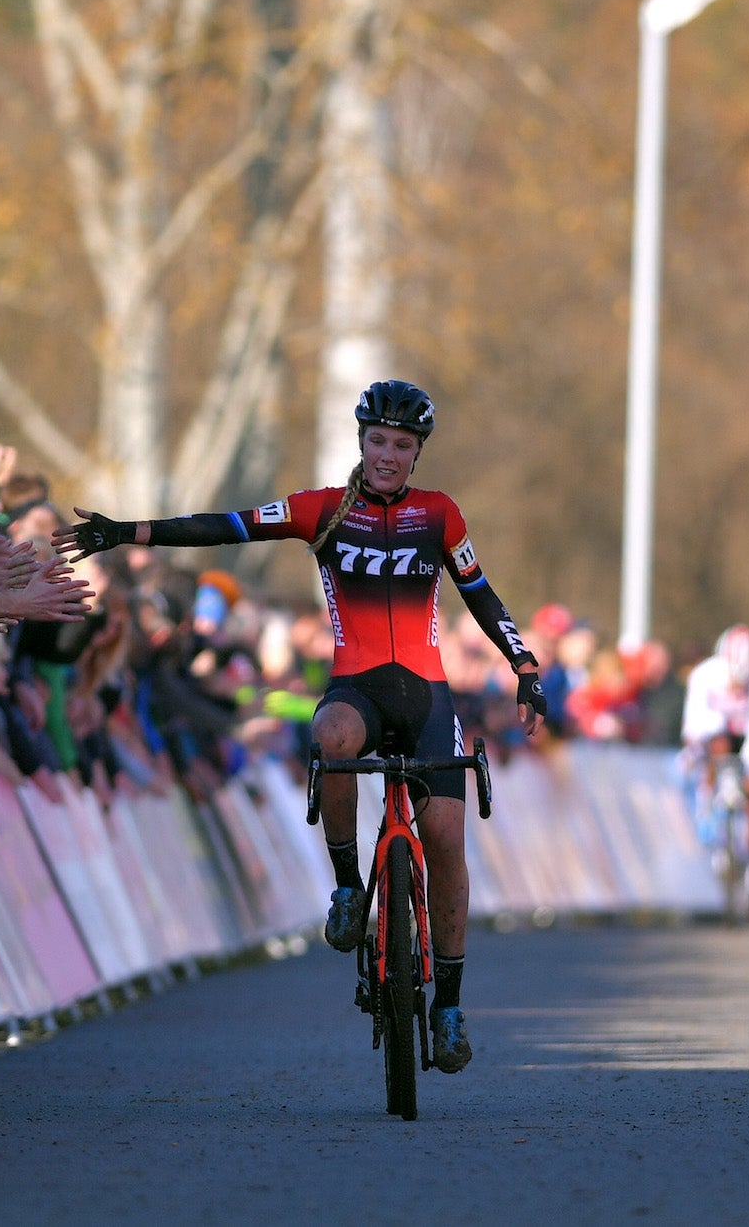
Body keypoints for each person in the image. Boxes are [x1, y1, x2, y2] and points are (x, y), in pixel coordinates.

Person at [56, 379, 547, 1075]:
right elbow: (223, 526)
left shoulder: (440, 515)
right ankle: (349, 886)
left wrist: (524, 665)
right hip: (357, 687)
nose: (387, 456)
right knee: (335, 738)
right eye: (377, 441)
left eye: (401, 446)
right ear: (362, 442)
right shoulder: (321, 510)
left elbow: (480, 593)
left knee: (444, 840)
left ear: (417, 453)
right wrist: (125, 532)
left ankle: (449, 1007)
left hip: (429, 695)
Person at [680, 624, 749, 897]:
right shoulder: (704, 675)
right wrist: (700, 749)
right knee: (715, 746)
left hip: (747, 736)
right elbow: (694, 723)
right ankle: (707, 808)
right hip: (716, 734)